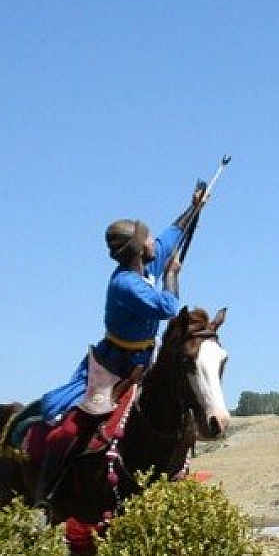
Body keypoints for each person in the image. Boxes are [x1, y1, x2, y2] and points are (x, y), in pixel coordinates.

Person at [33, 185, 207, 503]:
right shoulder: (125, 284)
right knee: (69, 428)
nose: (155, 241)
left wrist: (194, 207)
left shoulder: (145, 266)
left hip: (144, 363)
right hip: (113, 366)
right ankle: (47, 492)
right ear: (138, 250)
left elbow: (171, 236)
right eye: (148, 238)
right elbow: (168, 308)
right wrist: (172, 276)